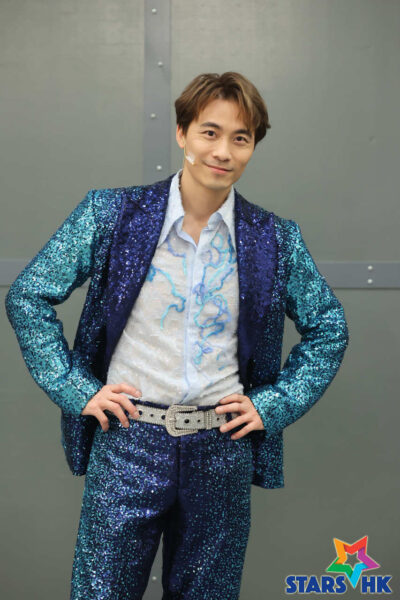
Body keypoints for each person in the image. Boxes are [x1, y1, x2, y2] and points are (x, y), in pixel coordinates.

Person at [5, 71, 349, 600]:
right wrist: (77, 389)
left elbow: (329, 326)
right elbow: (28, 295)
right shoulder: (111, 214)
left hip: (222, 448)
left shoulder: (274, 238)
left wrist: (274, 404)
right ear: (182, 133)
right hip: (128, 441)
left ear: (253, 147)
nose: (224, 151)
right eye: (210, 132)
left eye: (241, 138)